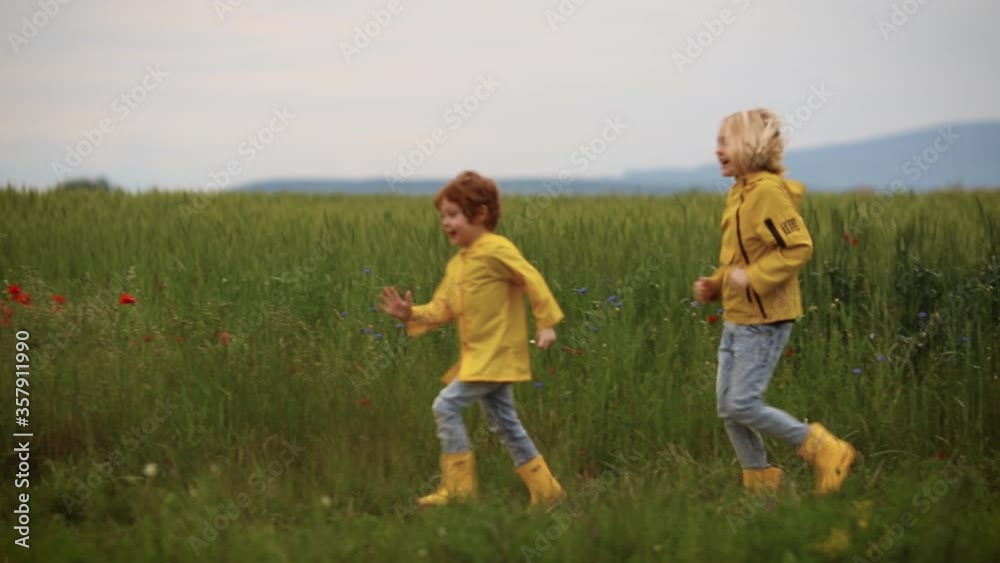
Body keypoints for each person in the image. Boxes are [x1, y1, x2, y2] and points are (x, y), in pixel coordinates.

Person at [693, 108, 857, 495]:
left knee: (742, 405)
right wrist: (717, 285)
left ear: (751, 145)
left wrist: (753, 278)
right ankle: (761, 483)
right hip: (738, 315)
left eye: (725, 141)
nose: (717, 150)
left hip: (765, 320)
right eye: (717, 142)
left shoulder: (767, 192)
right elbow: (741, 257)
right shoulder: (739, 192)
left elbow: (799, 246)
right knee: (727, 407)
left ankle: (827, 449)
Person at [379, 170, 565, 507]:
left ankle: (459, 490)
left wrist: (546, 322)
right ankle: (546, 490)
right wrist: (411, 314)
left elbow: (531, 277)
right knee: (505, 424)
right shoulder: (458, 265)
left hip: (497, 355)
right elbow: (442, 307)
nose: (445, 223)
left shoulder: (496, 249)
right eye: (442, 217)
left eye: (452, 215)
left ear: (479, 214)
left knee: (445, 405)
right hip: (480, 357)